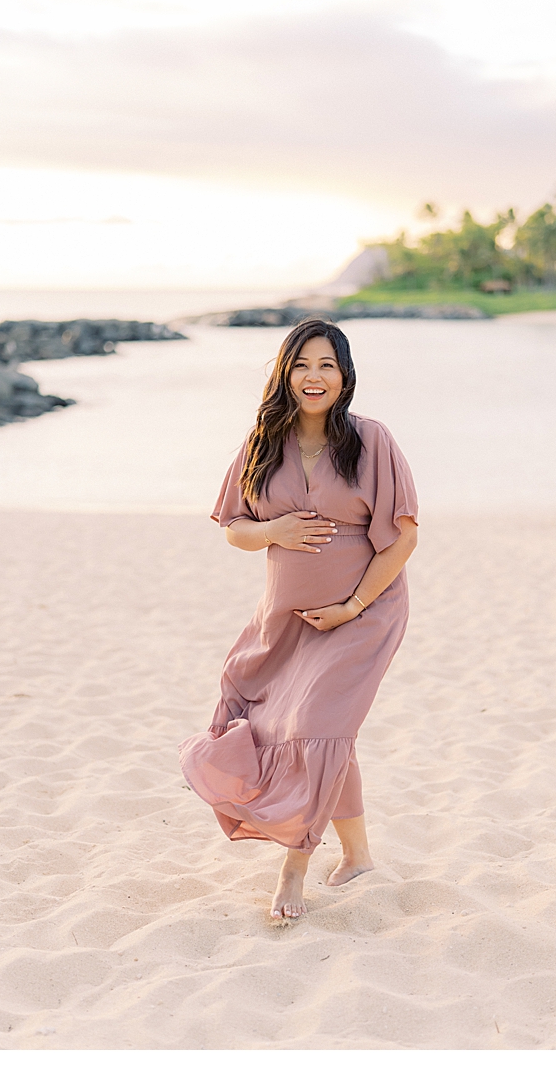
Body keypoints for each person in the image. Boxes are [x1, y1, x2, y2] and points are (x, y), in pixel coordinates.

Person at [179, 318, 419, 920]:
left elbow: (403, 539)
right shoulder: (263, 441)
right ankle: (359, 854)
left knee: (313, 724)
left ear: (345, 376)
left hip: (364, 612)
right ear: (285, 373)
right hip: (285, 619)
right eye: (303, 365)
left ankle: (293, 868)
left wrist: (350, 607)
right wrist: (274, 530)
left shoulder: (371, 441)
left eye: (327, 366)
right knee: (324, 730)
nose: (315, 378)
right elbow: (233, 528)